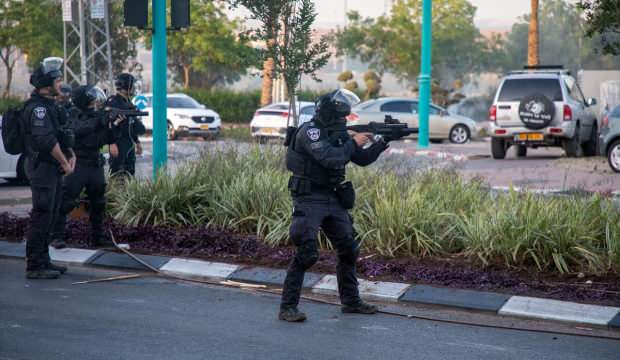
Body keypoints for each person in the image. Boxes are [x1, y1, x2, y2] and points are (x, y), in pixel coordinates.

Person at [279, 89, 388, 322]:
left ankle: (351, 302)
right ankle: (288, 307)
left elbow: (362, 159)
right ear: (329, 114)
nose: (344, 122)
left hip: (334, 196)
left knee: (349, 249)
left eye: (345, 118)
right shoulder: (311, 132)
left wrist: (382, 141)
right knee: (307, 253)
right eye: (340, 117)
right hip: (309, 198)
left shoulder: (339, 133)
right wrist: (352, 141)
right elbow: (332, 158)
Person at [23, 57, 75, 279]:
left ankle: (45, 260)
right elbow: (45, 140)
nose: (60, 84)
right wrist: (64, 162)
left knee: (51, 214)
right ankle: (34, 265)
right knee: (42, 214)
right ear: (46, 85)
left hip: (51, 168)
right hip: (42, 167)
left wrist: (70, 156)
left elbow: (61, 135)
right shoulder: (38, 110)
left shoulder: (50, 106)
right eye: (57, 81)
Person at [50, 85, 121, 249]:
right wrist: (98, 121)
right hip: (78, 164)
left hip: (95, 164)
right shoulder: (71, 115)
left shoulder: (97, 116)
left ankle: (98, 237)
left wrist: (112, 124)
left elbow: (104, 138)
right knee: (66, 201)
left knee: (98, 202)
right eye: (91, 101)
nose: (94, 103)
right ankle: (57, 236)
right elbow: (77, 131)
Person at [106, 73, 145, 177]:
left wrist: (137, 141)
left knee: (130, 173)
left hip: (129, 143)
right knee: (117, 174)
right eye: (131, 85)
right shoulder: (113, 102)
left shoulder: (129, 103)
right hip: (118, 142)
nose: (133, 88)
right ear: (126, 86)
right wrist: (111, 143)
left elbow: (131, 125)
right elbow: (108, 125)